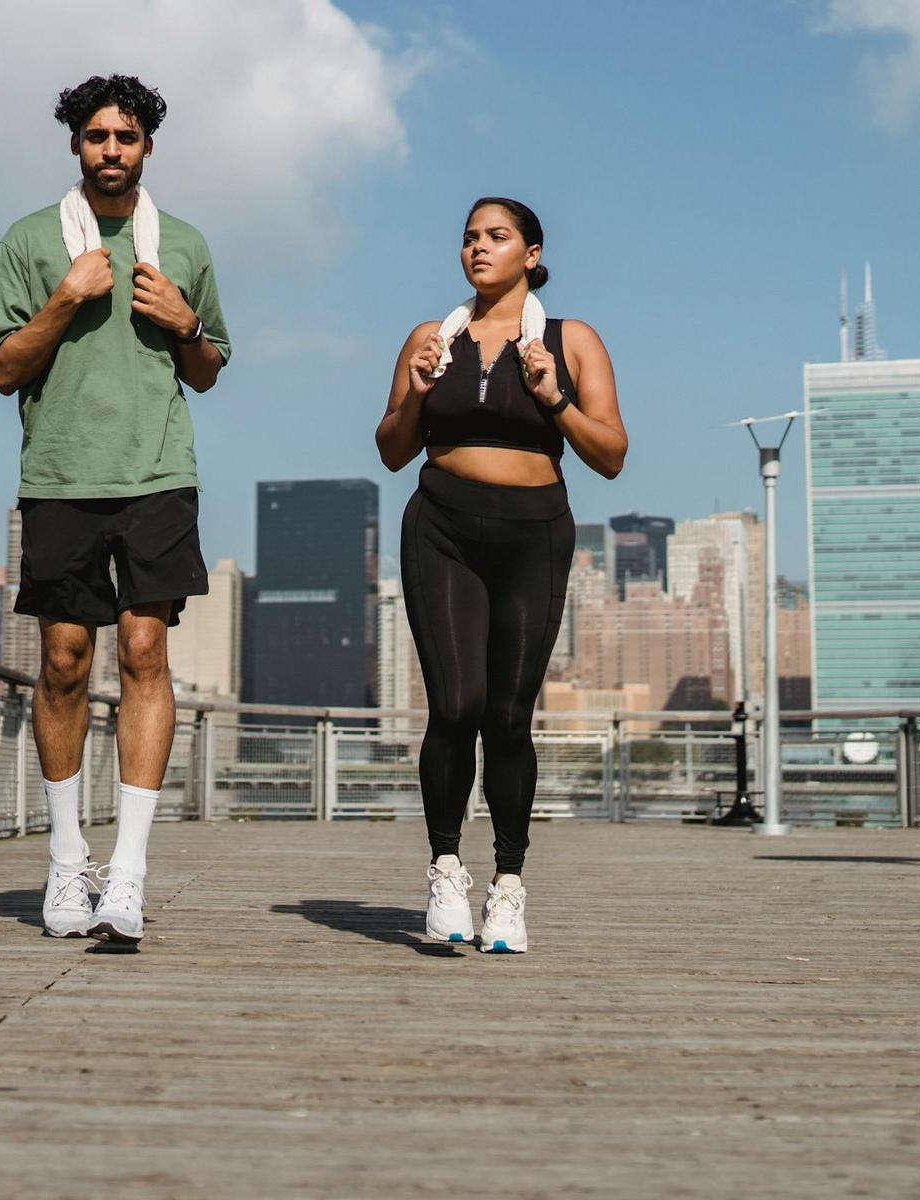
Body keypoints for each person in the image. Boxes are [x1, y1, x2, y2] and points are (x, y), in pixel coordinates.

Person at [0, 74, 231, 944]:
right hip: (60, 477)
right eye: (96, 137)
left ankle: (127, 871)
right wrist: (67, 297)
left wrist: (187, 325)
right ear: (75, 146)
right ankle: (65, 862)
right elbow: (5, 369)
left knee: (147, 651)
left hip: (160, 472)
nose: (111, 150)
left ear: (148, 147)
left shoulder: (184, 244)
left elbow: (206, 368)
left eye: (126, 136)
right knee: (62, 661)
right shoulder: (30, 241)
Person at [374, 197, 627, 953]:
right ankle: (446, 870)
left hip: (534, 533)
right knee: (455, 705)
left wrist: (555, 397)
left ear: (533, 253)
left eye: (496, 237)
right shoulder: (431, 337)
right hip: (442, 524)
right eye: (468, 239)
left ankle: (508, 888)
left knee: (509, 717)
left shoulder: (570, 339)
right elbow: (391, 449)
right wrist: (418, 390)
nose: (478, 249)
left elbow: (611, 454)